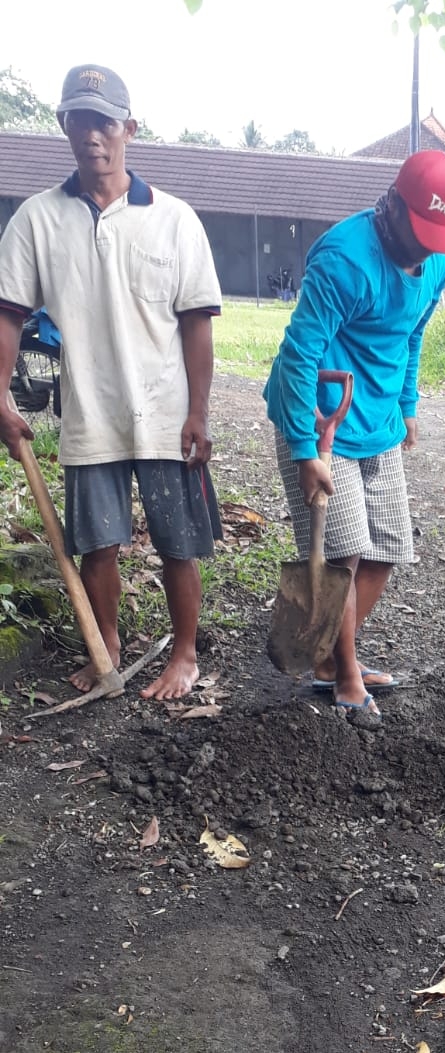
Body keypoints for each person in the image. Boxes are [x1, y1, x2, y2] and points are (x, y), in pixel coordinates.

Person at [0, 64, 222, 700]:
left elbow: (197, 324)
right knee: (97, 545)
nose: (91, 134)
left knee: (178, 543)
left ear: (130, 128)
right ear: (63, 124)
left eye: (104, 121)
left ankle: (184, 654)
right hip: (89, 412)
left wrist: (199, 412)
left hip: (165, 412)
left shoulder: (174, 219)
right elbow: (8, 315)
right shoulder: (37, 220)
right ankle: (108, 646)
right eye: (78, 119)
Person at [264, 149, 445, 725]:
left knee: (386, 549)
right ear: (394, 207)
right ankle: (347, 675)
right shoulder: (344, 260)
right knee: (345, 552)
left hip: (377, 418)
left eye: (440, 238)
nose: (429, 249)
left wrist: (407, 405)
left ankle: (330, 657)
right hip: (318, 419)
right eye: (423, 233)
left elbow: (412, 335)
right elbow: (301, 352)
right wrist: (303, 449)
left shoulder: (434, 265)